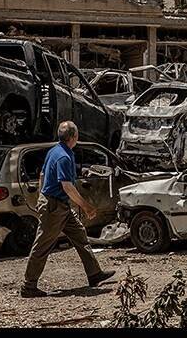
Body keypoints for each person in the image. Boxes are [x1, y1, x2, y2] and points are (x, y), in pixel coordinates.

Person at [21, 121, 116, 298]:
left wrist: (41, 196)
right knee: (42, 245)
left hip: (59, 205)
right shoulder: (63, 156)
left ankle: (94, 274)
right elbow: (67, 187)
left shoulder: (56, 151)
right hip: (55, 206)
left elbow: (42, 174)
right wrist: (86, 206)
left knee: (79, 235)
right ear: (74, 137)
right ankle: (29, 285)